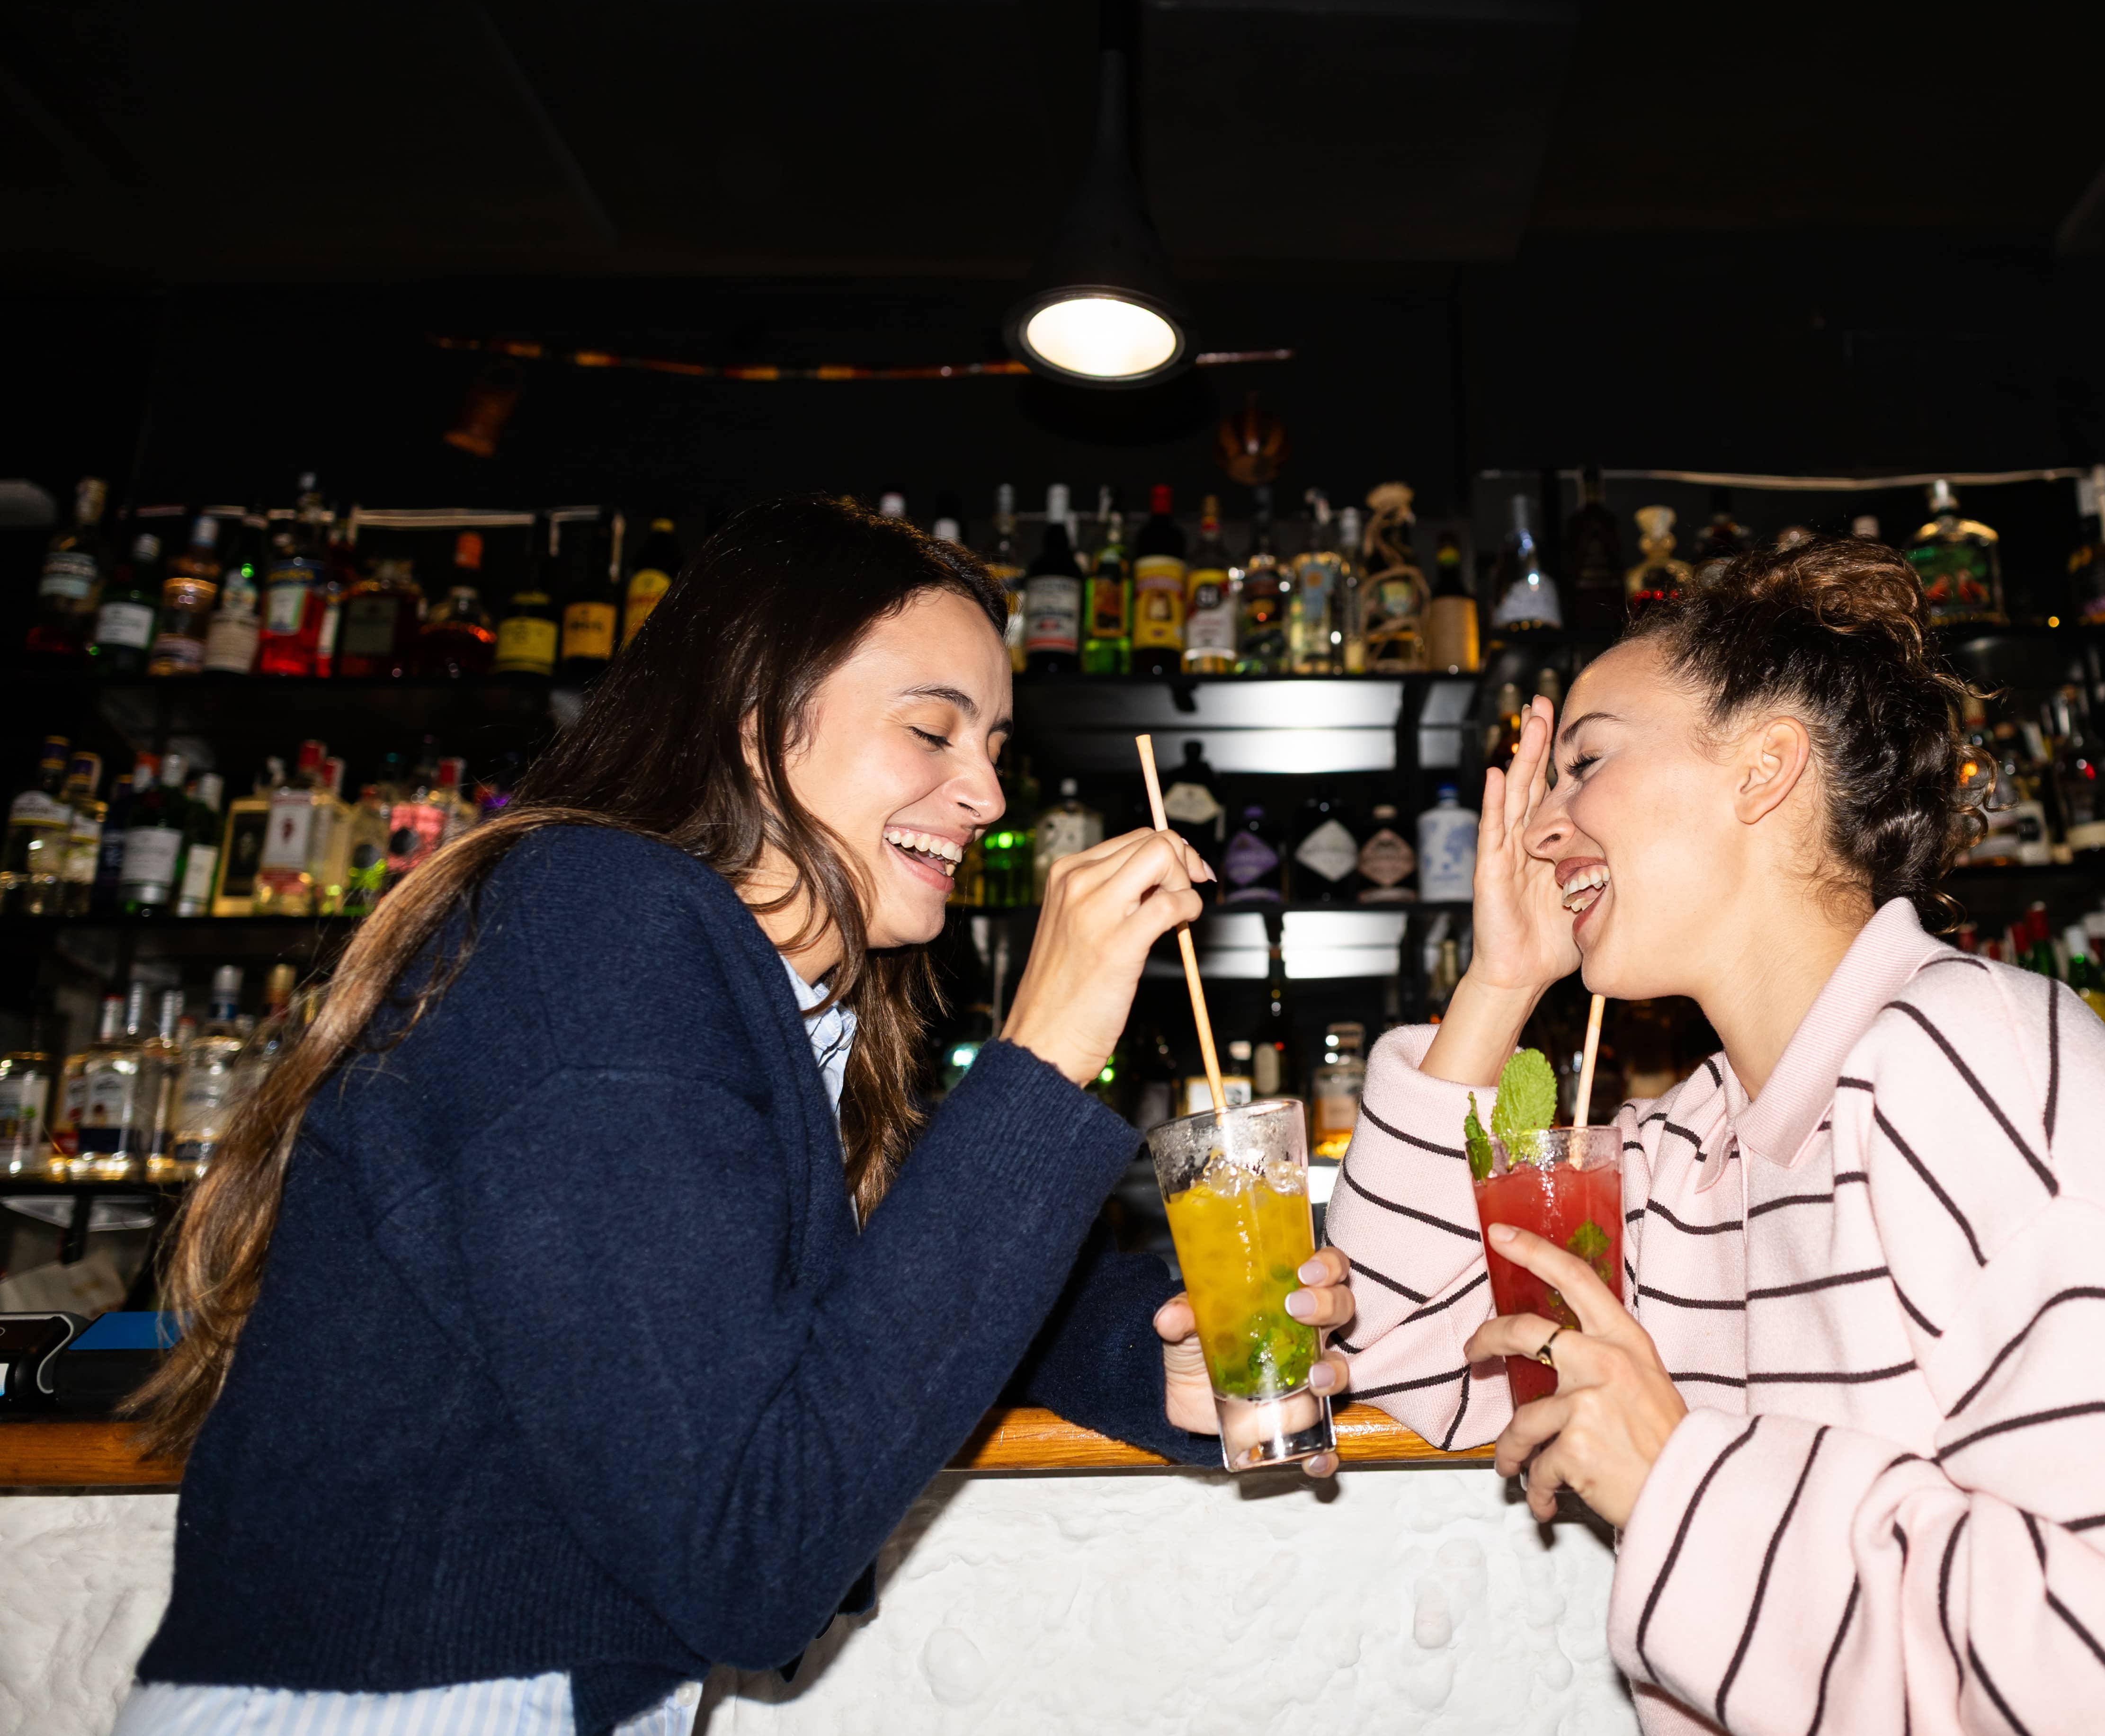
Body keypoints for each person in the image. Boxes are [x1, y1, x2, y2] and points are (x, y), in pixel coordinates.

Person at [116, 497, 1355, 1736]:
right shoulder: (594, 920)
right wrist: (1044, 1048)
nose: (982, 792)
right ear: (756, 725)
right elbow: (746, 1556)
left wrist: (1159, 1361)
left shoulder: (770, 1019)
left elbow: (870, 1279)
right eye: (933, 730)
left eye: (995, 746)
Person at [1332, 536, 2105, 1735]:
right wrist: (1500, 982)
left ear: (1763, 769)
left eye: (1585, 764)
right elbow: (1414, 1337)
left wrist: (1678, 1480)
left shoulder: (1967, 1064)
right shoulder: (1698, 1151)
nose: (1540, 827)